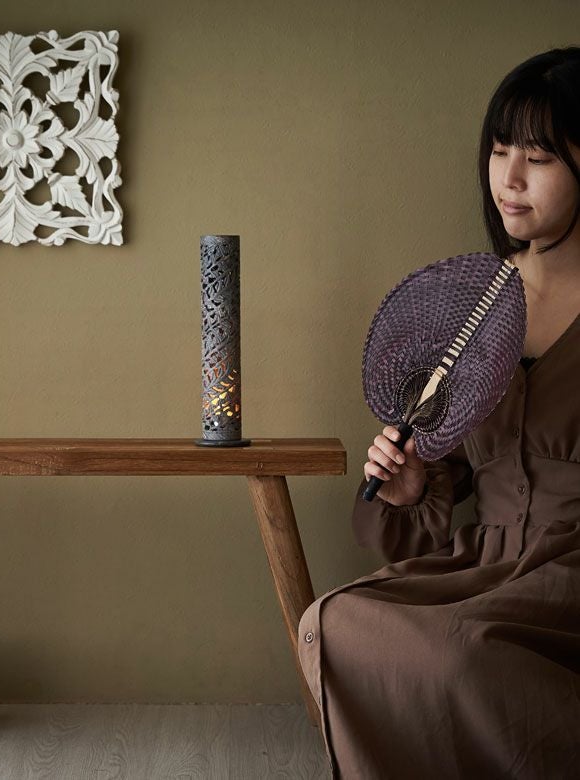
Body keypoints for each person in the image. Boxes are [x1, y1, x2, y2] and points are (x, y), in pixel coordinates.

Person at [298, 47, 580, 779]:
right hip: (484, 564)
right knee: (333, 622)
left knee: (462, 651)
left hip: (567, 576)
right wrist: (412, 485)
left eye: (539, 158)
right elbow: (438, 464)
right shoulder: (479, 303)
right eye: (499, 150)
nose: (509, 179)